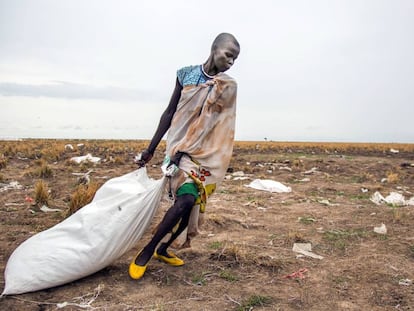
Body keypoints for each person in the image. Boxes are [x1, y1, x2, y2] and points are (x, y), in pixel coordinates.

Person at [129, 32, 240, 280]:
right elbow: (169, 113)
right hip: (177, 145)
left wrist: (190, 149)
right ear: (214, 49)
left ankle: (163, 249)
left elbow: (215, 124)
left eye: (235, 60)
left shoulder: (227, 86)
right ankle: (147, 251)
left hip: (204, 152)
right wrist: (151, 149)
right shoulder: (185, 74)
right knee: (187, 200)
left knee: (191, 203)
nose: (231, 62)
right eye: (228, 55)